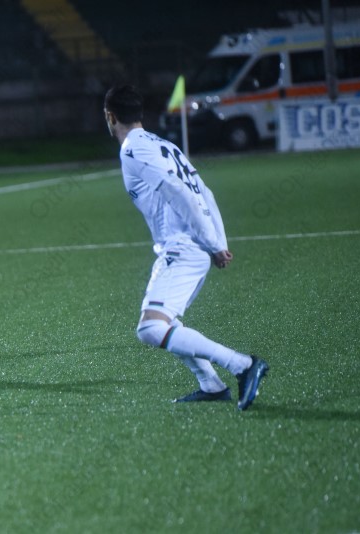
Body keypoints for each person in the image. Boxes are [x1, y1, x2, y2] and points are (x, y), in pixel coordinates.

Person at [103, 84, 269, 411]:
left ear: (110, 117)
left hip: (183, 248)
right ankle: (211, 385)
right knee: (164, 321)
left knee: (151, 329)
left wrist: (213, 244)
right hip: (185, 247)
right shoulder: (164, 145)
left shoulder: (133, 149)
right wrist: (217, 242)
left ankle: (243, 365)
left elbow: (178, 191)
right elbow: (204, 192)